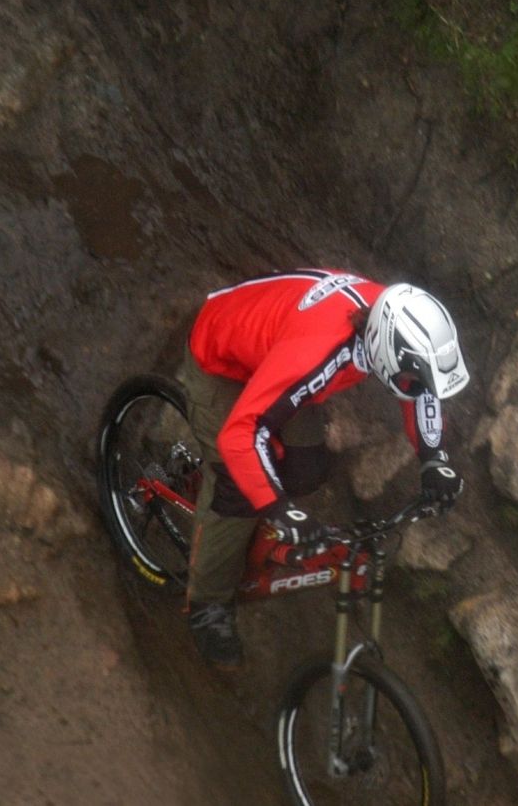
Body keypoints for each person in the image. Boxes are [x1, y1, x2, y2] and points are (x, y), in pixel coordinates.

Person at [178, 268, 469, 668]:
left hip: (274, 355)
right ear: (385, 354)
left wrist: (434, 458)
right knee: (239, 489)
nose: (415, 386)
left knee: (308, 469)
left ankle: (243, 525)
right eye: (410, 377)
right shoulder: (318, 351)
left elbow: (420, 388)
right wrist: (276, 508)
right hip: (222, 360)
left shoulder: (396, 319)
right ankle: (207, 604)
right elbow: (241, 434)